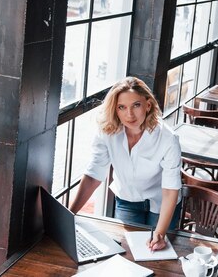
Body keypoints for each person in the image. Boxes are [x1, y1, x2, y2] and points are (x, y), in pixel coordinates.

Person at [69, 77, 182, 252]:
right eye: (122, 107)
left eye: (136, 105)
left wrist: (159, 233)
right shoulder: (106, 132)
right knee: (127, 252)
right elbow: (93, 175)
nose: (129, 115)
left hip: (162, 203)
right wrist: (70, 214)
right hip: (128, 201)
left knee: (157, 254)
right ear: (115, 109)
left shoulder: (168, 139)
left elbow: (169, 190)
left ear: (148, 105)